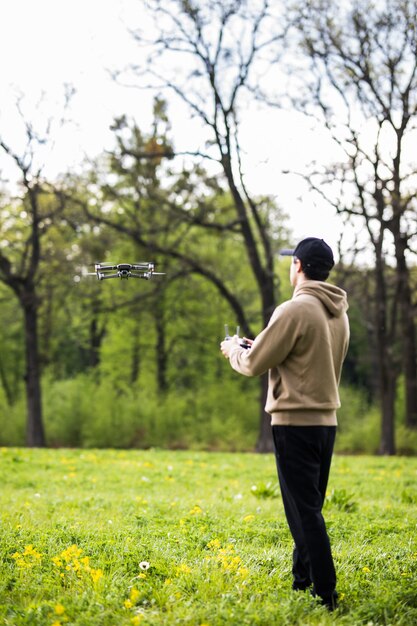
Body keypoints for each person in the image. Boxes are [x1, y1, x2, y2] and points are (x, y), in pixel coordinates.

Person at [220, 237, 349, 611]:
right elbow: (299, 355)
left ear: (299, 266)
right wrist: (256, 344)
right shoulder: (338, 312)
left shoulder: (294, 309)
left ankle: (325, 595)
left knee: (303, 512)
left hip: (294, 423)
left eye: (292, 262)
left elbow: (253, 364)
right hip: (326, 424)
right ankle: (301, 581)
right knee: (307, 508)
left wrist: (234, 351)